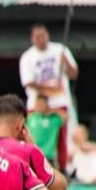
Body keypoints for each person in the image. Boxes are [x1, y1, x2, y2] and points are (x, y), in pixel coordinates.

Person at [19, 23, 78, 171]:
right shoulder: (27, 57)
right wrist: (50, 89)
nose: (41, 39)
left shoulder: (60, 49)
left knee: (61, 138)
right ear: (32, 39)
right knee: (34, 137)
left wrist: (66, 62)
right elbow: (28, 82)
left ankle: (62, 167)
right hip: (37, 104)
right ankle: (32, 165)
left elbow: (74, 74)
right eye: (37, 37)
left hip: (59, 102)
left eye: (43, 36)